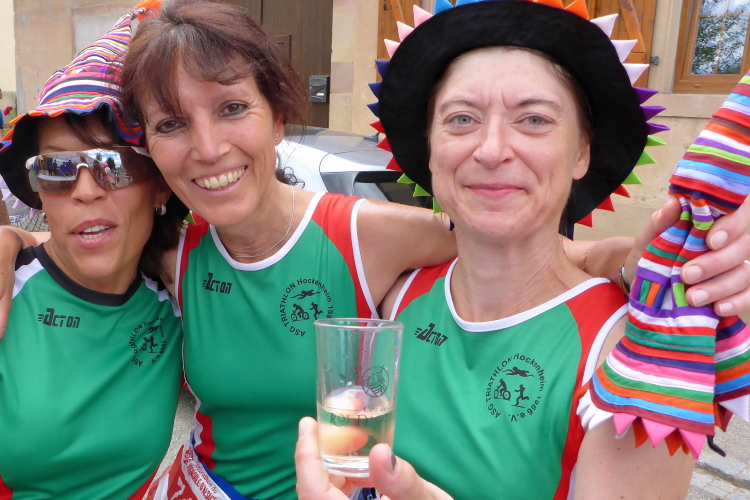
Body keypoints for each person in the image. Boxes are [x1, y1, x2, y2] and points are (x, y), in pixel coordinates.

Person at [3, 1, 749, 499]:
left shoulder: (374, 249)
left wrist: (648, 264)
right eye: (171, 125)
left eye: (232, 109)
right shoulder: (182, 256)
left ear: (278, 117)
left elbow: (523, 258)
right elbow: (70, 248)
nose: (207, 147)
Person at [294, 0, 747, 498]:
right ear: (431, 150)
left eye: (533, 119)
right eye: (461, 118)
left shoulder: (632, 355)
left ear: (581, 152)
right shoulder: (396, 297)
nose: (491, 150)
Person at [0, 6, 187, 498]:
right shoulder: (7, 296)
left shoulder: (182, 298)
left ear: (160, 187)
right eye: (57, 169)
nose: (84, 191)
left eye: (112, 164)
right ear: (39, 194)